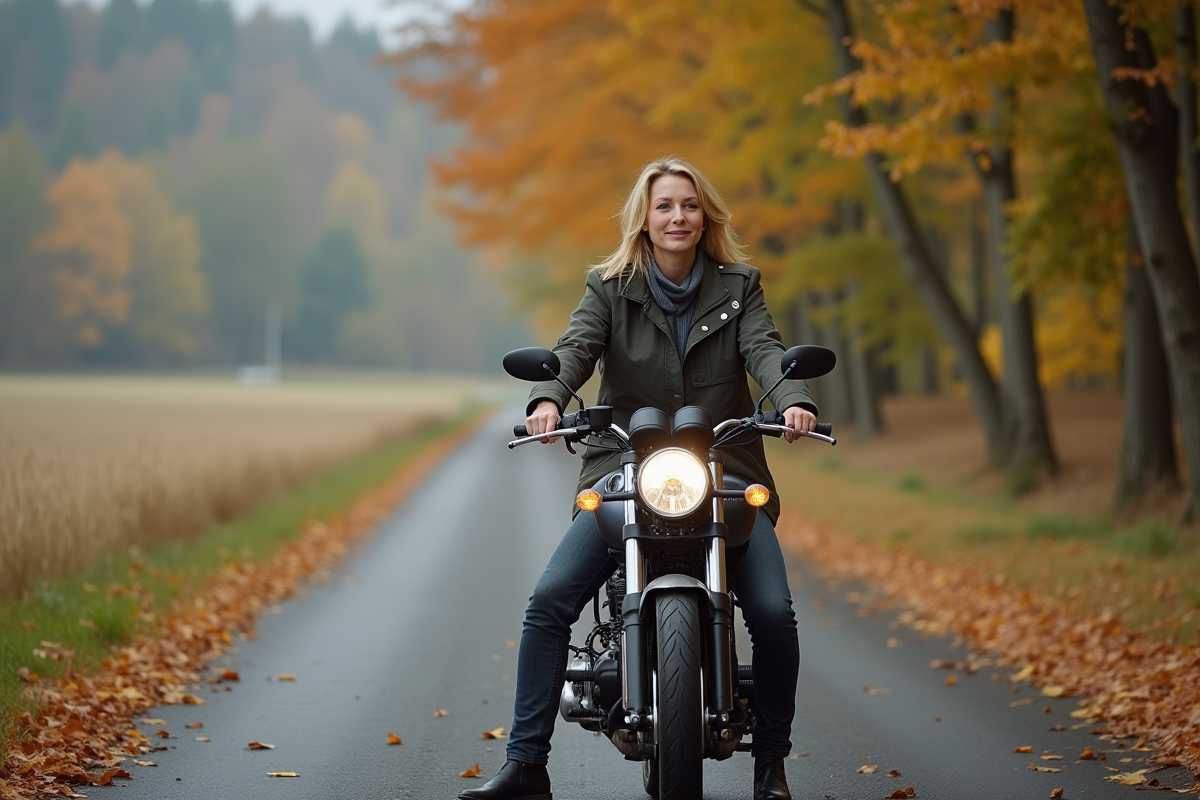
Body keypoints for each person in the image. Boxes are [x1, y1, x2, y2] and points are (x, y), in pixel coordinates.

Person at [461, 156, 818, 800]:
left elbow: (765, 350)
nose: (677, 216)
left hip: (725, 472)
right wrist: (548, 399)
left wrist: (793, 398)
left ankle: (771, 766)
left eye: (688, 204)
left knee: (773, 613)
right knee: (549, 602)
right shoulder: (609, 285)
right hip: (623, 469)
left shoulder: (740, 285)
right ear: (644, 221)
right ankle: (526, 766)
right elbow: (576, 347)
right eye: (664, 206)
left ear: (703, 215)